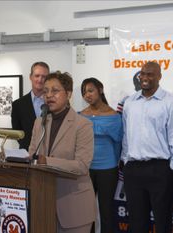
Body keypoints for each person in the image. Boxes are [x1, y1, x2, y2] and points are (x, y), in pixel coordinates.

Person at [29, 71, 96, 233]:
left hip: (74, 207)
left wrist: (47, 161)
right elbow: (32, 156)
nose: (49, 95)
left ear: (69, 94)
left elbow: (81, 166)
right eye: (45, 91)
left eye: (55, 91)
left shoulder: (83, 125)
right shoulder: (40, 123)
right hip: (43, 205)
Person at [121, 61, 173, 233]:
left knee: (162, 222)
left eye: (150, 74)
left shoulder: (171, 103)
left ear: (159, 77)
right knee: (136, 223)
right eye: (143, 73)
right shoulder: (130, 102)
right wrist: (125, 160)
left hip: (160, 169)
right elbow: (126, 134)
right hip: (133, 168)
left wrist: (172, 166)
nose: (145, 77)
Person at [80, 77, 123, 233]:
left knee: (106, 211)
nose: (87, 95)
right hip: (85, 169)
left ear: (100, 90)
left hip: (108, 169)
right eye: (84, 92)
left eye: (90, 90)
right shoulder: (80, 115)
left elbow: (119, 144)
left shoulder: (114, 116)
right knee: (86, 212)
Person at [11, 61, 50, 150]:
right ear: (30, 77)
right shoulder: (18, 105)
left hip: (50, 156)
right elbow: (17, 133)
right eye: (37, 76)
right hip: (26, 155)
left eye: (44, 77)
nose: (40, 80)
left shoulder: (54, 103)